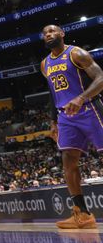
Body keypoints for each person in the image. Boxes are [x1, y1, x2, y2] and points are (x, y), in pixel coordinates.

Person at [41, 24, 103, 229]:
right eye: (45, 33)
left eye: (52, 31)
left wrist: (81, 97)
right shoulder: (45, 64)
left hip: (89, 109)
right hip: (65, 116)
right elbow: (53, 93)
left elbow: (101, 78)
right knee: (68, 161)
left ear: (62, 34)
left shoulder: (76, 53)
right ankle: (82, 213)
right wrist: (53, 121)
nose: (48, 35)